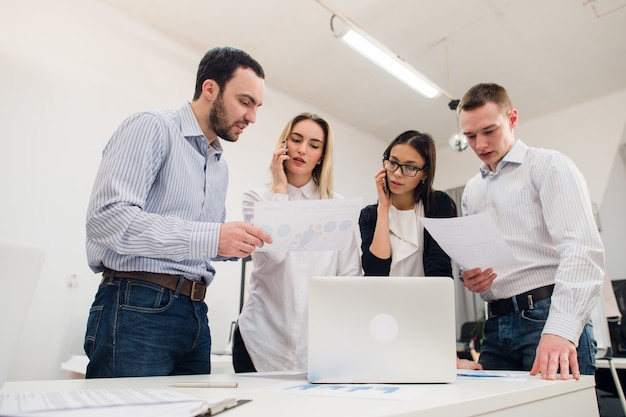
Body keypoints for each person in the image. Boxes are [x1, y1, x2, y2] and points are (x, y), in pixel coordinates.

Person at [84, 46, 272, 378]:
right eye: (245, 102)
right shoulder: (153, 127)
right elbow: (109, 219)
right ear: (210, 88)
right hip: (137, 304)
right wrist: (213, 237)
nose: (252, 117)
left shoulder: (218, 164)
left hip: (195, 313)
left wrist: (241, 242)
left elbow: (200, 243)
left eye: (257, 106)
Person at [457, 82, 605, 380]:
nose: (480, 145)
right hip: (496, 324)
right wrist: (473, 278)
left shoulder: (549, 165)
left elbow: (582, 249)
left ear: (512, 119)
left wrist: (561, 329)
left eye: (489, 131)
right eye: (470, 136)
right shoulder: (471, 191)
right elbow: (480, 262)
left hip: (546, 316)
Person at [232, 113, 362, 373]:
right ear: (283, 144)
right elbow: (275, 256)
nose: (302, 150)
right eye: (296, 139)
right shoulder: (257, 198)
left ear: (322, 156)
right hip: (258, 341)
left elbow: (350, 279)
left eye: (314, 145)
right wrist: (279, 190)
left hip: (315, 348)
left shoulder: (337, 207)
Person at [359, 129, 482, 370]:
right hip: (381, 316)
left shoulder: (438, 205)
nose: (396, 173)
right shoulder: (370, 214)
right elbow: (375, 272)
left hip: (424, 317)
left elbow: (440, 275)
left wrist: (448, 353)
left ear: (425, 173)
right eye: (392, 162)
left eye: (410, 167)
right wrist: (384, 208)